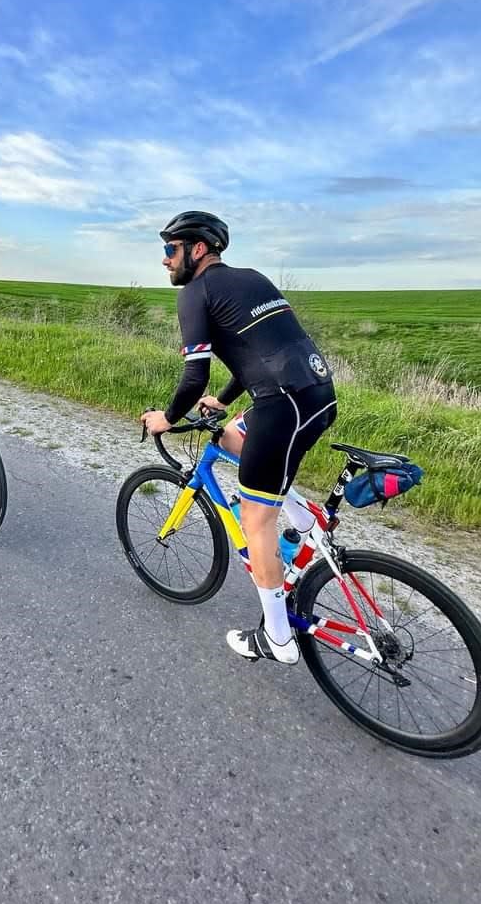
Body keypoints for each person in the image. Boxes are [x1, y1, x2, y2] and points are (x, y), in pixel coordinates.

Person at [141, 211, 337, 666]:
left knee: (255, 520)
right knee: (231, 438)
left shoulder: (196, 293)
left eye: (171, 250)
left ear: (198, 249)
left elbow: (194, 373)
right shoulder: (252, 278)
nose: (165, 261)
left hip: (283, 407)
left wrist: (167, 419)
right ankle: (304, 520)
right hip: (317, 395)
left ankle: (277, 636)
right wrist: (226, 399)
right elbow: (259, 351)